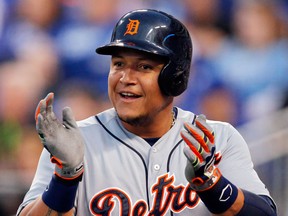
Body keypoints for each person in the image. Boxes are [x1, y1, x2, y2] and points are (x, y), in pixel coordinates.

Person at [17, 9, 277, 216]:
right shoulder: (72, 145)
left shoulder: (216, 139)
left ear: (174, 77)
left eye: (143, 67)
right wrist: (65, 178)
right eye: (118, 64)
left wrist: (211, 183)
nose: (125, 78)